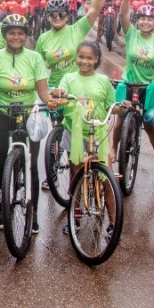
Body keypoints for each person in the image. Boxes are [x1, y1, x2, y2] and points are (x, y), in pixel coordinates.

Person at [0, 15, 51, 232]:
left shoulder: (34, 58)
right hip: (2, 113)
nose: (16, 37)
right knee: (0, 160)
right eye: (11, 33)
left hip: (28, 114)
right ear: (4, 35)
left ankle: (33, 211)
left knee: (31, 163)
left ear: (26, 35)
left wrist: (51, 100)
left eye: (20, 33)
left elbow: (42, 90)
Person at [50, 41, 117, 235]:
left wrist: (123, 105)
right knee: (76, 173)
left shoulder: (103, 81)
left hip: (98, 133)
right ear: (75, 58)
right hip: (74, 132)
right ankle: (75, 216)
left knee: (106, 177)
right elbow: (59, 95)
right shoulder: (69, 78)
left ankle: (114, 221)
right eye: (81, 57)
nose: (84, 61)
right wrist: (57, 94)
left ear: (96, 60)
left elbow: (113, 105)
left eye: (89, 58)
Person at [116, 0, 154, 188]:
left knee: (151, 128)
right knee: (120, 117)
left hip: (150, 87)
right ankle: (114, 149)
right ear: (137, 20)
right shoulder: (131, 35)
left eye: (150, 19)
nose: (145, 22)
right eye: (142, 19)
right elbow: (122, 14)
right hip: (129, 84)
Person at [37, 0, 108, 89]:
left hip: (79, 86)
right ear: (48, 17)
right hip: (55, 88)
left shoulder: (78, 29)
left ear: (68, 16)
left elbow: (95, 9)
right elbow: (37, 69)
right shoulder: (42, 39)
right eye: (53, 15)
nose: (57, 18)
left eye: (62, 14)